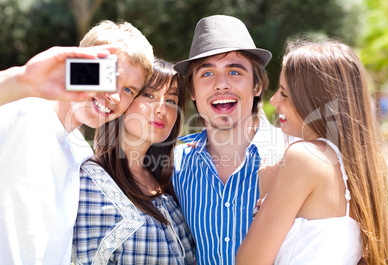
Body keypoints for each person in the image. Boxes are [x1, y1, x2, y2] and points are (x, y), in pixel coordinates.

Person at [0, 20, 154, 264]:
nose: (114, 96)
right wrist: (22, 80)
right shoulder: (22, 110)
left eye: (128, 91)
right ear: (81, 64)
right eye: (109, 76)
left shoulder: (80, 150)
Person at [236, 39, 388, 265]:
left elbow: (249, 261)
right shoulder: (359, 169)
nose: (274, 100)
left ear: (317, 101)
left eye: (285, 94)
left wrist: (266, 187)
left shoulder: (304, 157)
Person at [172, 15, 285, 265]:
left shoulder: (292, 154)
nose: (221, 84)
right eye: (207, 73)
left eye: (235, 71)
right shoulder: (175, 167)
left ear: (257, 86)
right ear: (192, 91)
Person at [72, 58, 195, 264]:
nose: (161, 109)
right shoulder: (89, 182)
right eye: (149, 95)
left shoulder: (172, 180)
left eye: (171, 101)